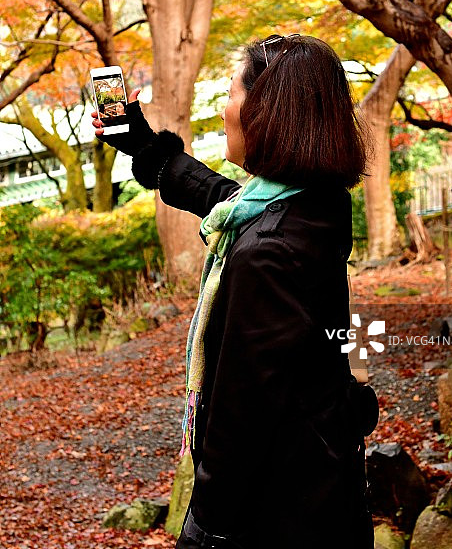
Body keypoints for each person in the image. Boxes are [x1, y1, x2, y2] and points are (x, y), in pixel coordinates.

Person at [93, 34, 377, 549]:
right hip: (326, 486)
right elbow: (228, 200)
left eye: (230, 95)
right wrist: (143, 145)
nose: (224, 110)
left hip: (280, 513)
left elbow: (241, 420)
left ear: (267, 112)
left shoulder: (267, 252)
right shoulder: (314, 204)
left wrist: (207, 529)